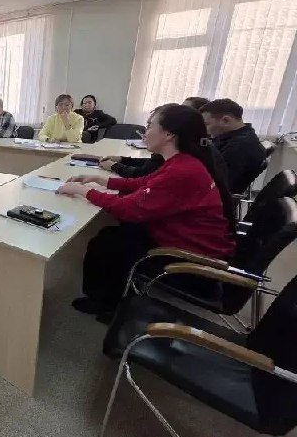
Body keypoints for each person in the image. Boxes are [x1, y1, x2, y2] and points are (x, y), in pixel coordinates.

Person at [58, 104, 235, 316]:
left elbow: (127, 209)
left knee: (108, 242)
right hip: (181, 239)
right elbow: (143, 182)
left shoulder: (183, 170)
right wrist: (99, 179)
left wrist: (83, 191)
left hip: (191, 261)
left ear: (168, 134)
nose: (145, 131)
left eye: (150, 125)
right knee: (112, 235)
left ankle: (106, 304)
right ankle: (109, 297)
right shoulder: (182, 161)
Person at [201, 98, 267, 194]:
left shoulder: (240, 147)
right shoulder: (237, 137)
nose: (204, 130)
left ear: (226, 120)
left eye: (206, 125)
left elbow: (217, 183)